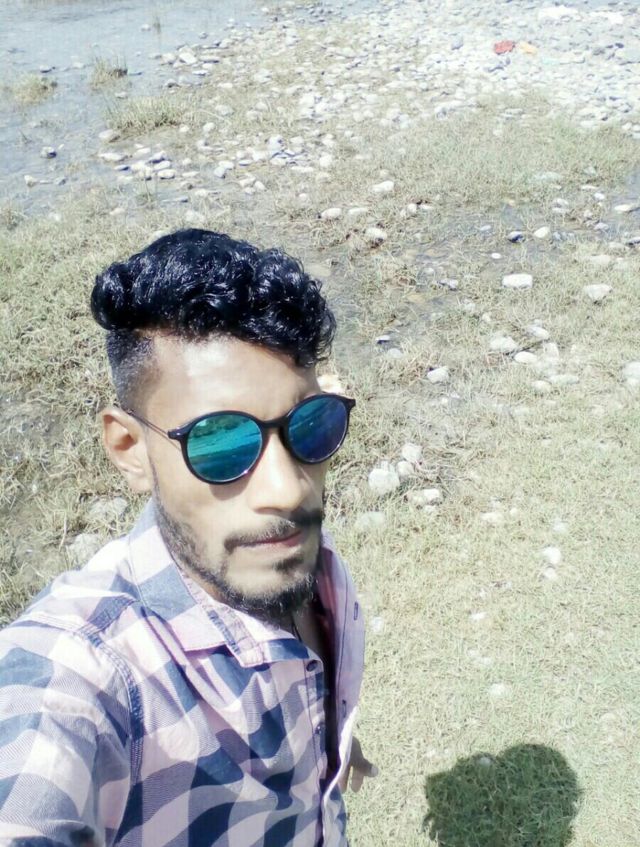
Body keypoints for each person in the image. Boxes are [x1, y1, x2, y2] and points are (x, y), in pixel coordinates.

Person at [0, 230, 376, 846]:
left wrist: (332, 744)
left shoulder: (290, 554)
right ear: (130, 448)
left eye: (310, 426)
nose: (286, 489)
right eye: (220, 442)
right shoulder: (84, 674)